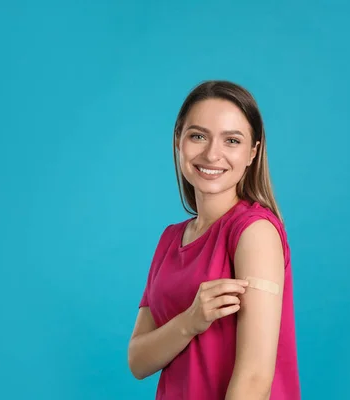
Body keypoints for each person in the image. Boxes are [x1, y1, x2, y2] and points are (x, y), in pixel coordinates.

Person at [127, 80, 301, 399]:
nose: (212, 154)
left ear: (252, 152)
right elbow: (138, 361)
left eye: (231, 140)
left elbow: (254, 378)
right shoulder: (170, 239)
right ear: (178, 140)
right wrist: (192, 320)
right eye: (197, 136)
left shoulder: (255, 232)